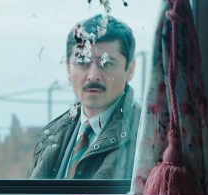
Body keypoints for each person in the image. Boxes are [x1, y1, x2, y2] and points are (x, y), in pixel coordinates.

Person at [29, 14, 141, 180]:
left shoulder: (147, 136)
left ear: (130, 70)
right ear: (68, 68)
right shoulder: (51, 135)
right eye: (82, 62)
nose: (93, 76)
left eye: (106, 63)